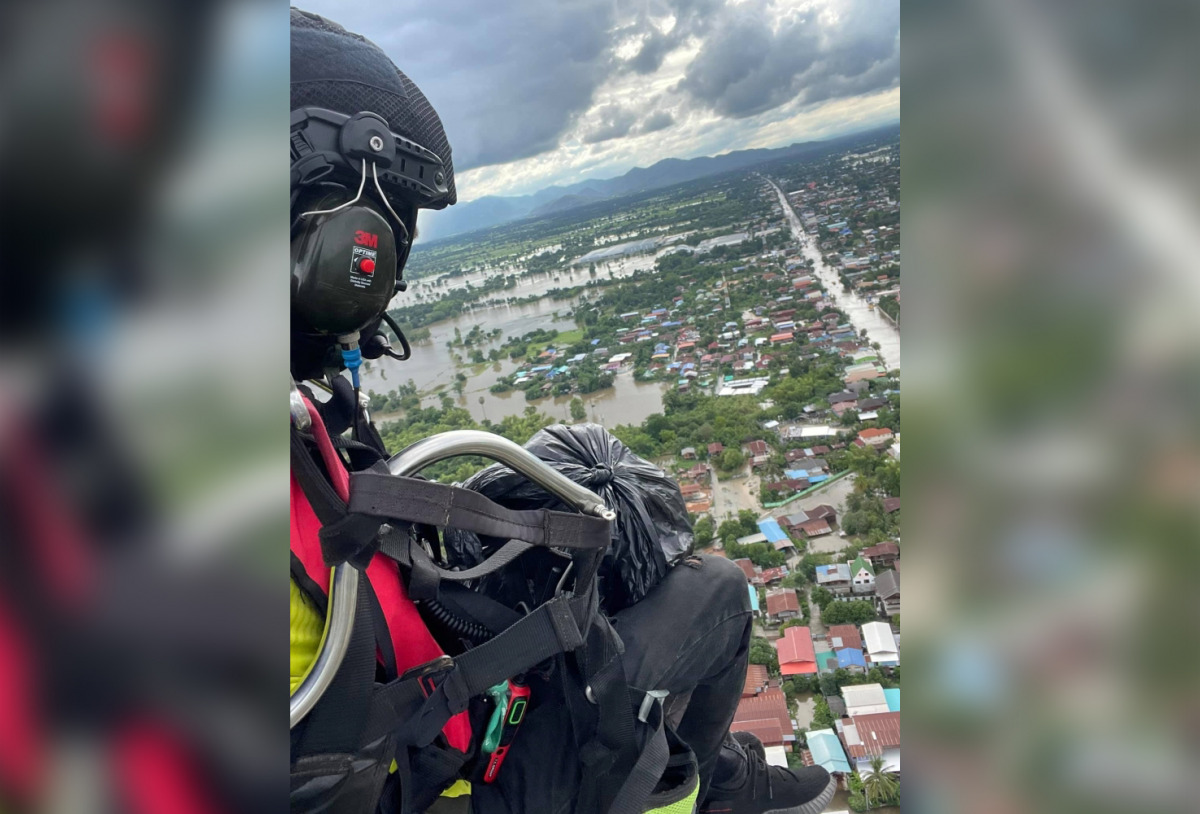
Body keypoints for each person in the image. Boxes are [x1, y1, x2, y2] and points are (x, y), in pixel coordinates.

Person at [288, 9, 835, 814]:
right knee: (712, 594)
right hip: (454, 779)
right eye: (390, 246)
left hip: (423, 729)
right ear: (342, 242)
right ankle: (699, 788)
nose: (383, 294)